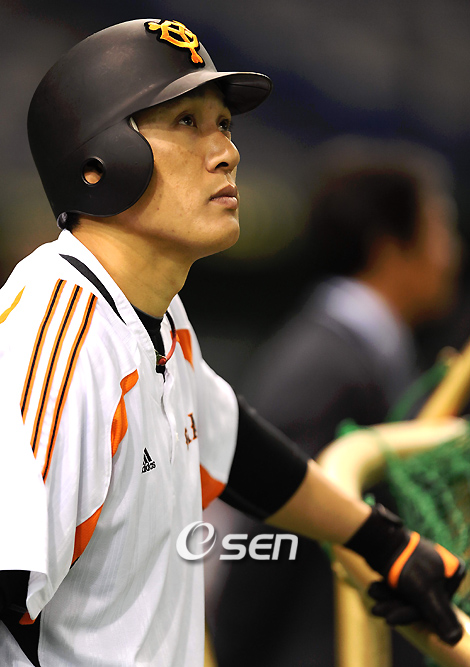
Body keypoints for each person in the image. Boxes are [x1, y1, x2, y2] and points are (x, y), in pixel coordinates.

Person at [0, 18, 465, 667]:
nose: (227, 151)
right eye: (187, 121)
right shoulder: (59, 334)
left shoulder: (156, 313)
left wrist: (383, 542)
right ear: (97, 162)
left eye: (224, 124)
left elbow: (238, 447)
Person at [213, 138, 461, 667]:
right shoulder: (323, 368)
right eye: (442, 229)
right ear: (389, 246)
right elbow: (264, 540)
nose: (453, 253)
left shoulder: (362, 354)